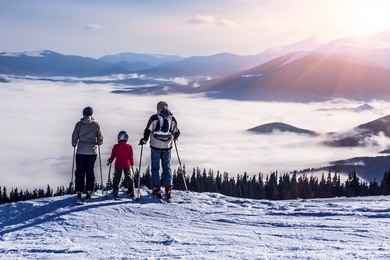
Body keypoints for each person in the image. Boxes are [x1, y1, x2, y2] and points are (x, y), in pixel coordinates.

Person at [139, 101, 180, 199]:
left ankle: (156, 188)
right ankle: (168, 187)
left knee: (155, 168)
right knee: (167, 167)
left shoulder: (154, 118)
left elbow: (147, 130)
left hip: (155, 147)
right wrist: (174, 138)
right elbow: (177, 132)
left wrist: (144, 140)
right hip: (167, 147)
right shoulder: (172, 118)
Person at [71, 106, 103, 200]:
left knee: (80, 171)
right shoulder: (96, 124)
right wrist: (98, 143)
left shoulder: (79, 124)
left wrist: (74, 143)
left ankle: (79, 191)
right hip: (92, 152)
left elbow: (74, 136)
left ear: (83, 114)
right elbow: (100, 138)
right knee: (90, 171)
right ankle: (89, 190)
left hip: (81, 150)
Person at [107, 131, 135, 198]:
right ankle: (131, 190)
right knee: (128, 177)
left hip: (118, 164)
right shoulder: (129, 146)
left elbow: (113, 155)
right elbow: (130, 155)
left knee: (117, 177)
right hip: (126, 164)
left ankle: (115, 190)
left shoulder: (116, 146)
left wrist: (110, 160)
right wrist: (131, 162)